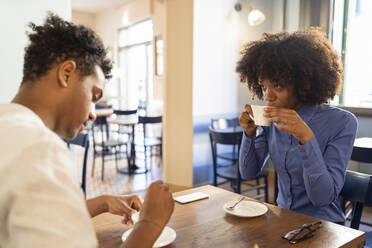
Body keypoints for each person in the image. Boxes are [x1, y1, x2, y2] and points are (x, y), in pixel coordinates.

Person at [0, 13, 174, 247]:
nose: (93, 113)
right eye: (94, 95)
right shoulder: (40, 150)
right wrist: (151, 222)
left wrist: (102, 202)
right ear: (66, 73)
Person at [236, 28, 357, 224]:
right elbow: (248, 173)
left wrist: (306, 138)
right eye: (264, 86)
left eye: (277, 85)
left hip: (324, 227)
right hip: (282, 221)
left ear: (304, 83)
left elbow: (322, 198)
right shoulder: (272, 120)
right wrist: (249, 135)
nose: (267, 96)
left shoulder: (342, 123)